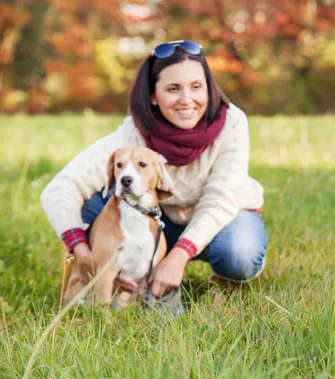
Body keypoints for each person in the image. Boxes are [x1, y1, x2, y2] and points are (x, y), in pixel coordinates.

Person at [41, 40, 268, 304]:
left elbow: (219, 202)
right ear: (153, 95)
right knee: (93, 205)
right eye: (173, 89)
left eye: (196, 87)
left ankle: (217, 276)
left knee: (241, 253)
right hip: (156, 225)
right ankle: (124, 275)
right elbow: (59, 190)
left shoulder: (232, 123)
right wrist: (84, 253)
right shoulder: (133, 133)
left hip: (222, 221)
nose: (187, 100)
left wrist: (178, 256)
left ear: (208, 88)